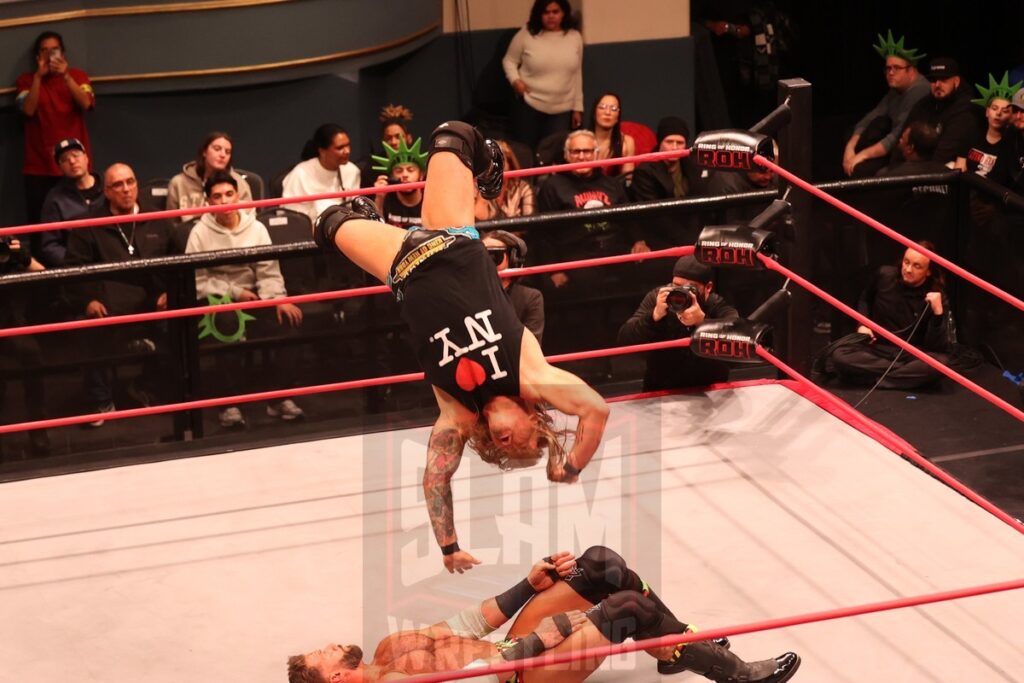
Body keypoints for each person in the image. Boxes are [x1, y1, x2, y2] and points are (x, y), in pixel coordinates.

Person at [314, 121, 609, 572]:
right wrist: (570, 468)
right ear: (533, 415)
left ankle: (366, 218)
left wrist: (449, 547)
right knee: (452, 133)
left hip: (403, 266)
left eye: (501, 449)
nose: (503, 442)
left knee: (327, 223)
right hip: (450, 237)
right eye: (521, 442)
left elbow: (437, 477)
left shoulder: (459, 412)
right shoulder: (528, 373)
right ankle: (490, 168)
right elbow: (596, 410)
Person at [287, 545, 801, 683]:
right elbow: (480, 678)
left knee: (602, 564)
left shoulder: (386, 650)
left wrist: (524, 588)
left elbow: (466, 626)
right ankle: (734, 676)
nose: (332, 642)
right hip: (520, 675)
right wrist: (556, 632)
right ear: (334, 678)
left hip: (512, 647)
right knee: (626, 609)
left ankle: (677, 647)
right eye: (325, 652)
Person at [185, 171, 305, 427]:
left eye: (229, 194)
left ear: (238, 196)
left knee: (288, 320)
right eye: (217, 197)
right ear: (208, 202)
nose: (224, 201)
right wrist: (234, 293)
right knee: (226, 324)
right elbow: (196, 281)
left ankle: (278, 397)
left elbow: (268, 271)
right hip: (218, 300)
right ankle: (229, 404)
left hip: (256, 298)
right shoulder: (198, 232)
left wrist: (277, 299)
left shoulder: (257, 227)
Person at [64, 163, 177, 425]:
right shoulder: (89, 225)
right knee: (89, 325)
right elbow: (73, 271)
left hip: (153, 303)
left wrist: (171, 292)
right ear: (107, 191)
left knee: (180, 319)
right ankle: (100, 400)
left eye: (130, 182)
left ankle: (146, 386)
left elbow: (179, 262)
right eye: (118, 185)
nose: (126, 189)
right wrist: (88, 300)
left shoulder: (159, 220)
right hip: (108, 304)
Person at [828, 243, 953, 390]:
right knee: (839, 354)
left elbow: (937, 347)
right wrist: (863, 324)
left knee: (940, 364)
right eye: (906, 262)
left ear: (928, 271)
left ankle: (870, 380)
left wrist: (938, 312)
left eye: (917, 266)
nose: (908, 269)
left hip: (910, 354)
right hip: (876, 348)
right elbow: (865, 299)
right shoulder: (884, 275)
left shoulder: (935, 295)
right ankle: (902, 378)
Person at [617, 256, 739, 391]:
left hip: (709, 388)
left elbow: (739, 344)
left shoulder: (715, 304)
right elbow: (624, 339)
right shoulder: (659, 298)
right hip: (661, 389)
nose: (682, 293)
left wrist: (703, 323)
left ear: (708, 288)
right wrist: (654, 316)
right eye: (677, 286)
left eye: (690, 288)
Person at [15, 30, 95, 224]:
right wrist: (38, 78)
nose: (50, 55)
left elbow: (86, 104)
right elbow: (28, 110)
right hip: (39, 166)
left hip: (75, 165)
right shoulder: (26, 81)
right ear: (37, 56)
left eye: (55, 50)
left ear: (63, 53)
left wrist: (66, 76)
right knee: (39, 222)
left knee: (83, 219)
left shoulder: (78, 76)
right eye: (44, 51)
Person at [842, 31, 929, 178]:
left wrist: (862, 155)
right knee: (850, 134)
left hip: (907, 152)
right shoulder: (896, 90)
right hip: (893, 147)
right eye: (888, 68)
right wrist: (850, 148)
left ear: (911, 71)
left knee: (861, 169)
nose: (890, 73)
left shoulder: (919, 91)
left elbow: (897, 136)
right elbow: (872, 116)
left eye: (896, 68)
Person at [502, 0, 584, 148]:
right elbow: (509, 61)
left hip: (562, 109)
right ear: (539, 14)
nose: (550, 16)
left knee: (552, 154)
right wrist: (515, 81)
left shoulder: (574, 37)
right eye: (546, 12)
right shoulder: (527, 34)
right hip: (529, 104)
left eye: (555, 12)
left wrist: (577, 107)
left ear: (563, 13)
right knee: (525, 153)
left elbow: (577, 73)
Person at [630, 116, 705, 252]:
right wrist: (689, 240)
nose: (674, 147)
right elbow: (655, 215)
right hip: (658, 236)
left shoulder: (692, 165)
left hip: (689, 232)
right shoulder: (645, 171)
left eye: (680, 142)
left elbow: (698, 204)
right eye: (669, 142)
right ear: (660, 142)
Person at [37, 137, 104, 268]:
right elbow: (50, 245)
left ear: (86, 157)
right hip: (77, 270)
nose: (72, 161)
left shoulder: (109, 187)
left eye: (75, 155)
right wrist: (73, 264)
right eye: (64, 159)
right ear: (60, 167)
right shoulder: (55, 199)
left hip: (114, 262)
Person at [899, 58, 977, 167]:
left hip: (939, 173)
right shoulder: (923, 104)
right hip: (913, 166)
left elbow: (941, 157)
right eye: (933, 80)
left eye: (944, 79)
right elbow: (901, 141)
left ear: (956, 81)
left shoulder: (965, 109)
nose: (937, 85)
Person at [283, 124, 361, 224]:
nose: (347, 151)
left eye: (348, 145)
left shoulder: (352, 170)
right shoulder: (300, 173)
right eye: (340, 147)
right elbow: (290, 214)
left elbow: (354, 208)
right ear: (322, 151)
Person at [166, 131, 253, 221]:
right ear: (204, 152)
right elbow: (172, 225)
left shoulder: (239, 183)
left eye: (227, 152)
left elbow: (249, 219)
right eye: (217, 149)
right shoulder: (178, 183)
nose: (223, 155)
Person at [482, 230, 545, 344]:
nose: (488, 261)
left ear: (512, 259)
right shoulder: (467, 295)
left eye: (494, 255)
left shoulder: (529, 297)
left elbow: (531, 346)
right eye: (482, 256)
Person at [371, 137, 427, 228]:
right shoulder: (386, 197)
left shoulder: (430, 198)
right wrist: (379, 198)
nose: (404, 175)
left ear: (421, 176)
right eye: (399, 171)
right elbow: (375, 230)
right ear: (392, 176)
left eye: (410, 170)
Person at [474, 141, 536, 220]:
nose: (495, 167)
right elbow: (475, 219)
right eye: (490, 163)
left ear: (509, 164)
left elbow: (530, 223)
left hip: (516, 231)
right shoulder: (475, 187)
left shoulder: (523, 188)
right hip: (484, 232)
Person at [587, 92, 636, 179]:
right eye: (602, 107)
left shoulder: (627, 142)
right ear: (594, 113)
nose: (608, 112)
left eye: (613, 109)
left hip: (614, 190)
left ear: (618, 116)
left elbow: (628, 178)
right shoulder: (580, 140)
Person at [879, 121, 946, 177]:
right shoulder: (947, 174)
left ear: (910, 149)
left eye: (902, 138)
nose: (900, 141)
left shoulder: (894, 177)